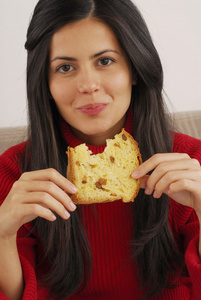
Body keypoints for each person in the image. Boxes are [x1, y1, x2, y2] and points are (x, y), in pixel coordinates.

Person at [0, 0, 201, 299]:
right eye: (65, 67)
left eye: (105, 61)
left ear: (134, 68)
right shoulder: (15, 171)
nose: (88, 85)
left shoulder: (191, 161)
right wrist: (2, 233)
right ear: (45, 82)